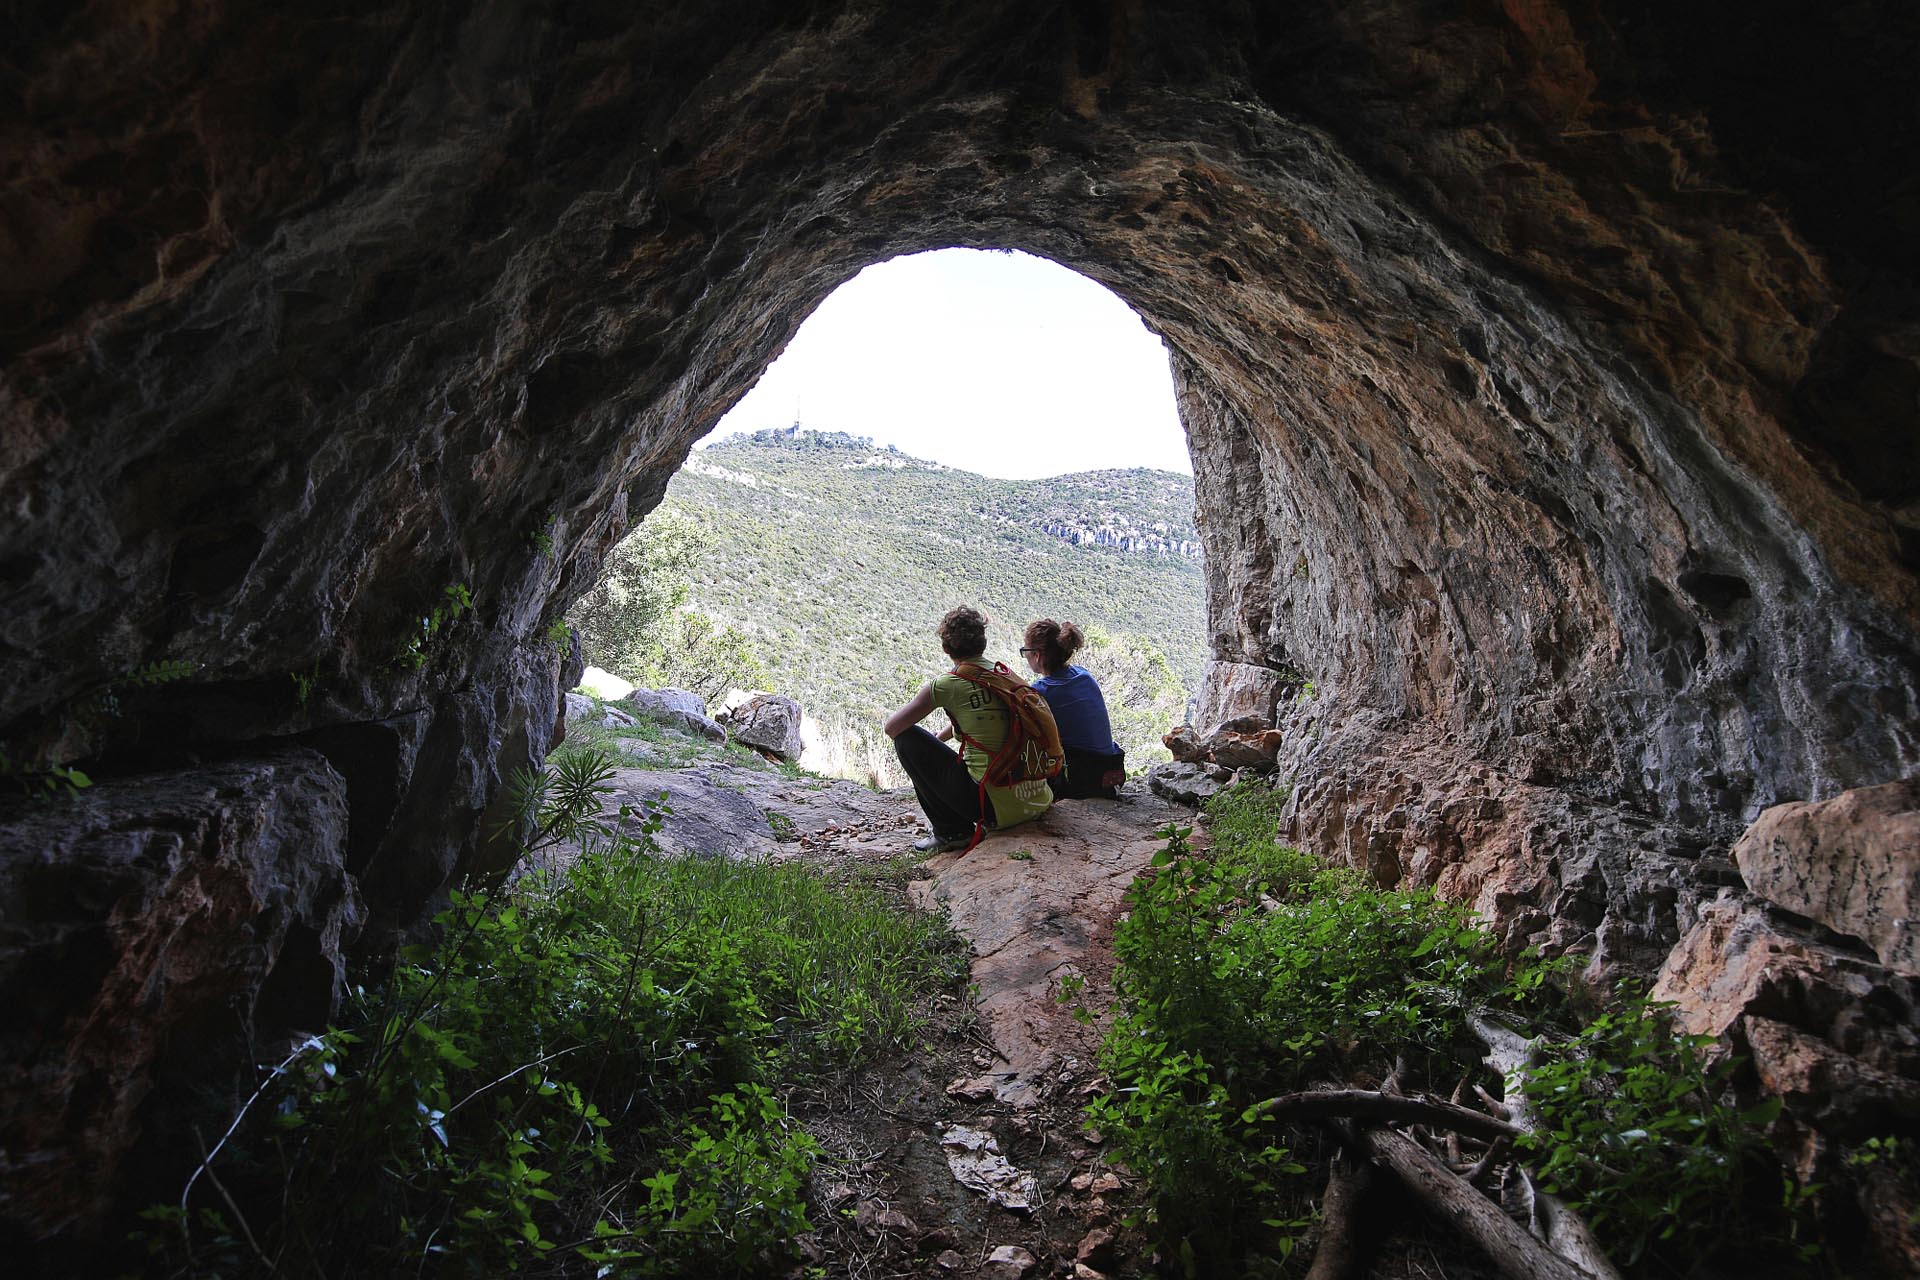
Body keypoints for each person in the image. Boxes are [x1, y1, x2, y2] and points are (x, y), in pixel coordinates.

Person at [885, 606, 1054, 852]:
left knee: (906, 739)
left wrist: (931, 747)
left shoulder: (946, 684)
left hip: (993, 809)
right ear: (982, 643)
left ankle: (951, 832)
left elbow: (893, 728)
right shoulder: (1003, 674)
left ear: (946, 648)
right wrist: (938, 739)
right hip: (1037, 799)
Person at [1021, 619, 1125, 799]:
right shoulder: (1084, 675)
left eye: (1025, 651)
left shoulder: (1041, 692)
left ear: (1037, 655)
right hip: (1111, 768)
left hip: (1083, 780)